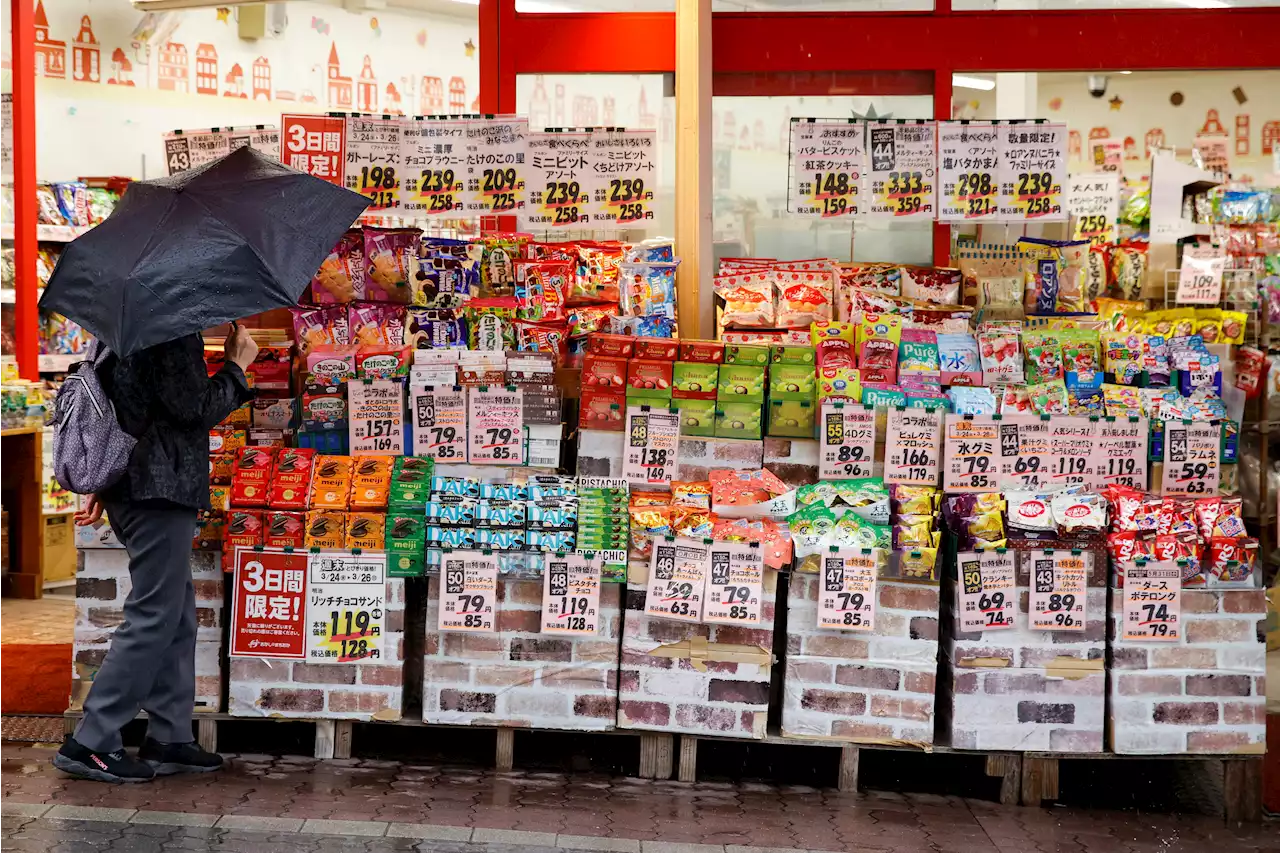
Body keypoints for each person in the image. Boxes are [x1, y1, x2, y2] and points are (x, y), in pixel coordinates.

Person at [55, 326, 259, 784]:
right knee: (154, 614)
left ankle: (169, 734)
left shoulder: (123, 327)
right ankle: (92, 739)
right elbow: (195, 409)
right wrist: (236, 367)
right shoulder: (168, 334)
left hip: (137, 485)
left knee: (177, 611)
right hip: (157, 489)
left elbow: (126, 407)